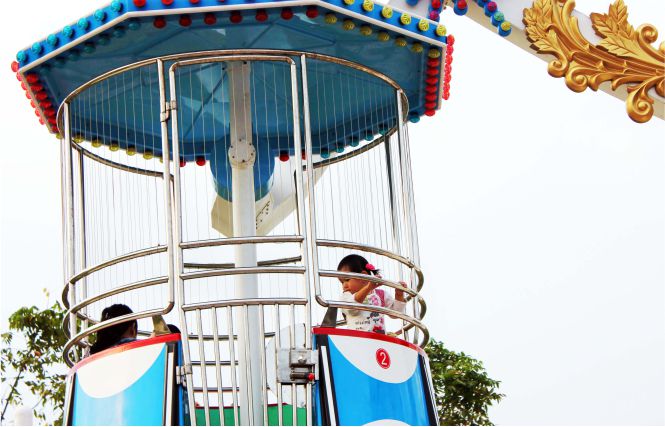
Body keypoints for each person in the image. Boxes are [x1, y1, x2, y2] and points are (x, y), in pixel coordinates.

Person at [337, 254, 407, 333]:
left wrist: (399, 295)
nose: (344, 286)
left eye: (347, 280)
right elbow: (352, 309)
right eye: (342, 282)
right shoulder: (346, 296)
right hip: (357, 338)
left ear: (363, 276)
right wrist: (368, 288)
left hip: (378, 338)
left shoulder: (381, 294)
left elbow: (395, 314)